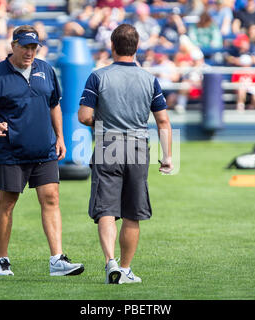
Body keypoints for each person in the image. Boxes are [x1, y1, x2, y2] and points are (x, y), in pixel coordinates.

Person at [0, 25, 84, 277]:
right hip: (11, 151)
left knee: (51, 199)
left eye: (34, 47)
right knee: (8, 202)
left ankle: (57, 259)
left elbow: (54, 104)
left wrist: (60, 137)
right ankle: (2, 260)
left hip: (44, 149)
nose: (29, 52)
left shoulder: (45, 70)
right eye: (25, 46)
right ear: (13, 46)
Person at [78, 24, 173, 284]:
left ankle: (111, 263)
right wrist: (167, 157)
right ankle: (127, 268)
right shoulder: (149, 79)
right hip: (138, 146)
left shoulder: (98, 76)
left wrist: (104, 121)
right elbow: (163, 122)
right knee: (133, 212)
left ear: (112, 46)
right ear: (137, 47)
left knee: (106, 209)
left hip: (108, 143)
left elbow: (84, 116)